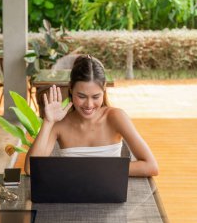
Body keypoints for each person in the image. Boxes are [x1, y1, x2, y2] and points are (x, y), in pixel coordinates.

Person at [24, 55, 158, 177]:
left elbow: (151, 166)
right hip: (73, 194)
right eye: (81, 96)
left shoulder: (116, 117)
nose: (89, 104)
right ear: (71, 88)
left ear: (104, 88)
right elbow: (31, 169)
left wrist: (96, 170)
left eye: (95, 97)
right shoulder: (60, 123)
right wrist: (48, 122)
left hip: (109, 193)